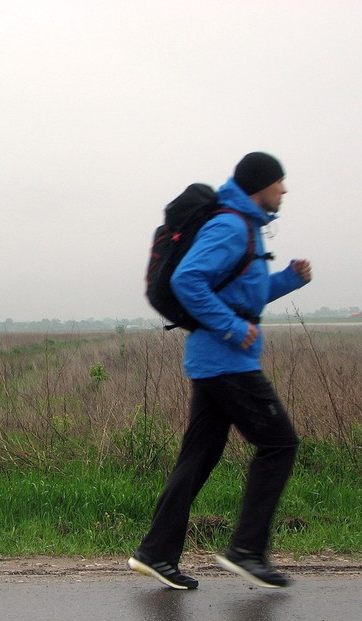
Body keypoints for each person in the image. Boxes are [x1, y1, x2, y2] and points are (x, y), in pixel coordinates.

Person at [129, 152, 312, 590]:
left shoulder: (245, 226)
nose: (284, 190)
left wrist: (288, 279)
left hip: (215, 360)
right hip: (227, 361)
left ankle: (155, 553)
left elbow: (242, 293)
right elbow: (187, 279)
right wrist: (231, 328)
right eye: (278, 182)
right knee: (279, 442)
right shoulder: (230, 226)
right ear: (259, 185)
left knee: (199, 456)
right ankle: (247, 550)